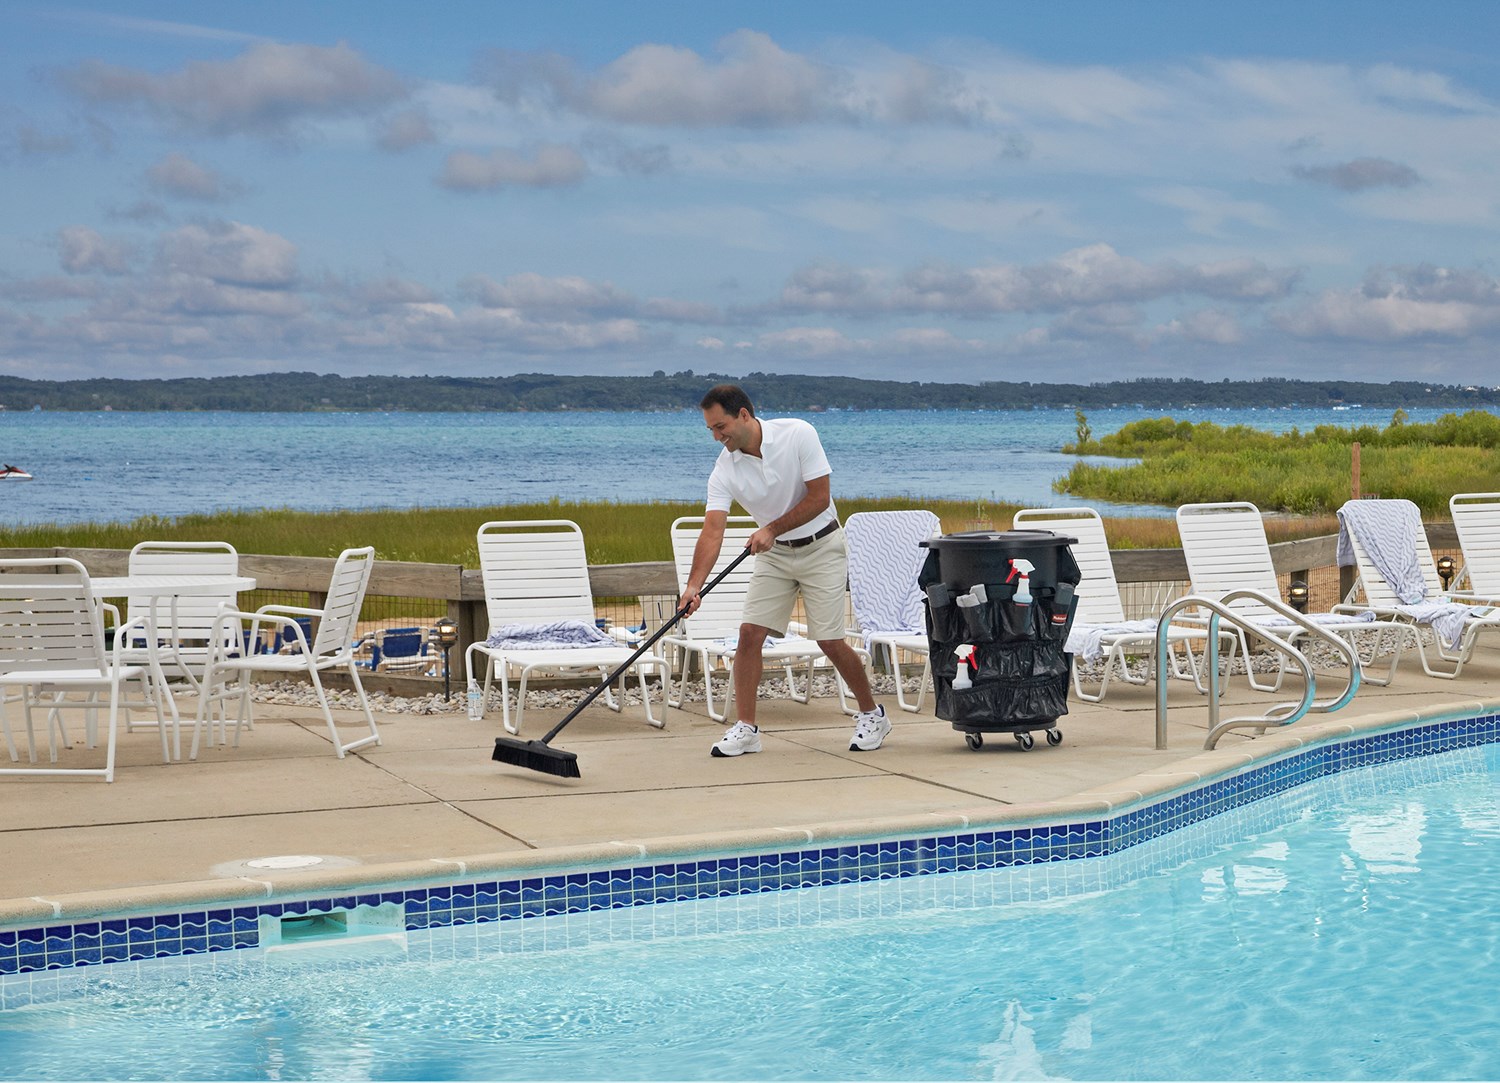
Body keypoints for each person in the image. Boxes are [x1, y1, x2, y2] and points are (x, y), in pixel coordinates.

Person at [678, 384, 889, 758]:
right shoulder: (724, 468)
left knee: (829, 639)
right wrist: (694, 586)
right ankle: (747, 729)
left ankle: (873, 714)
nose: (716, 436)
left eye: (720, 426)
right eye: (710, 429)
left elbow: (819, 497)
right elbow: (713, 529)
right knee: (749, 634)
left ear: (744, 415)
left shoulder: (798, 434)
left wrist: (771, 529)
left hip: (822, 544)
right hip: (776, 555)